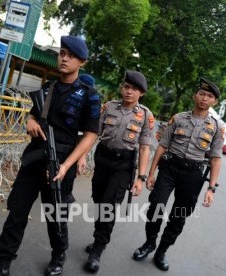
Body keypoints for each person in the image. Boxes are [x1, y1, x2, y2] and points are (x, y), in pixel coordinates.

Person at [0, 36, 101, 276]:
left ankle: (59, 254)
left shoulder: (90, 95)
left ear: (81, 61)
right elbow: (32, 114)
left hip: (62, 162)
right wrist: (29, 121)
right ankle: (3, 261)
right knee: (17, 212)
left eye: (70, 55)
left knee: (56, 216)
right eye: (62, 53)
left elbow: (91, 135)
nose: (64, 58)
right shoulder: (47, 88)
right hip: (34, 159)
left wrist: (66, 165)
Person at [132, 78, 223, 271]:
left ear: (214, 101)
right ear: (194, 96)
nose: (204, 98)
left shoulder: (215, 127)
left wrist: (211, 188)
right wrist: (150, 173)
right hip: (169, 168)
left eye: (209, 96)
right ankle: (149, 243)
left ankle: (162, 251)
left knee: (179, 216)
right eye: (202, 94)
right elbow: (162, 146)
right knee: (156, 205)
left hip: (193, 174)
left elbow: (215, 159)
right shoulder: (178, 118)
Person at [83, 70, 155, 273]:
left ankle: (97, 249)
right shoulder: (109, 107)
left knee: (109, 206)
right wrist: (82, 156)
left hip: (123, 166)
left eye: (134, 89)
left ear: (141, 93)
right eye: (126, 87)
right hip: (103, 160)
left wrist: (141, 177)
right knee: (98, 200)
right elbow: (93, 133)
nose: (129, 91)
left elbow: (144, 148)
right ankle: (99, 236)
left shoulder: (146, 116)